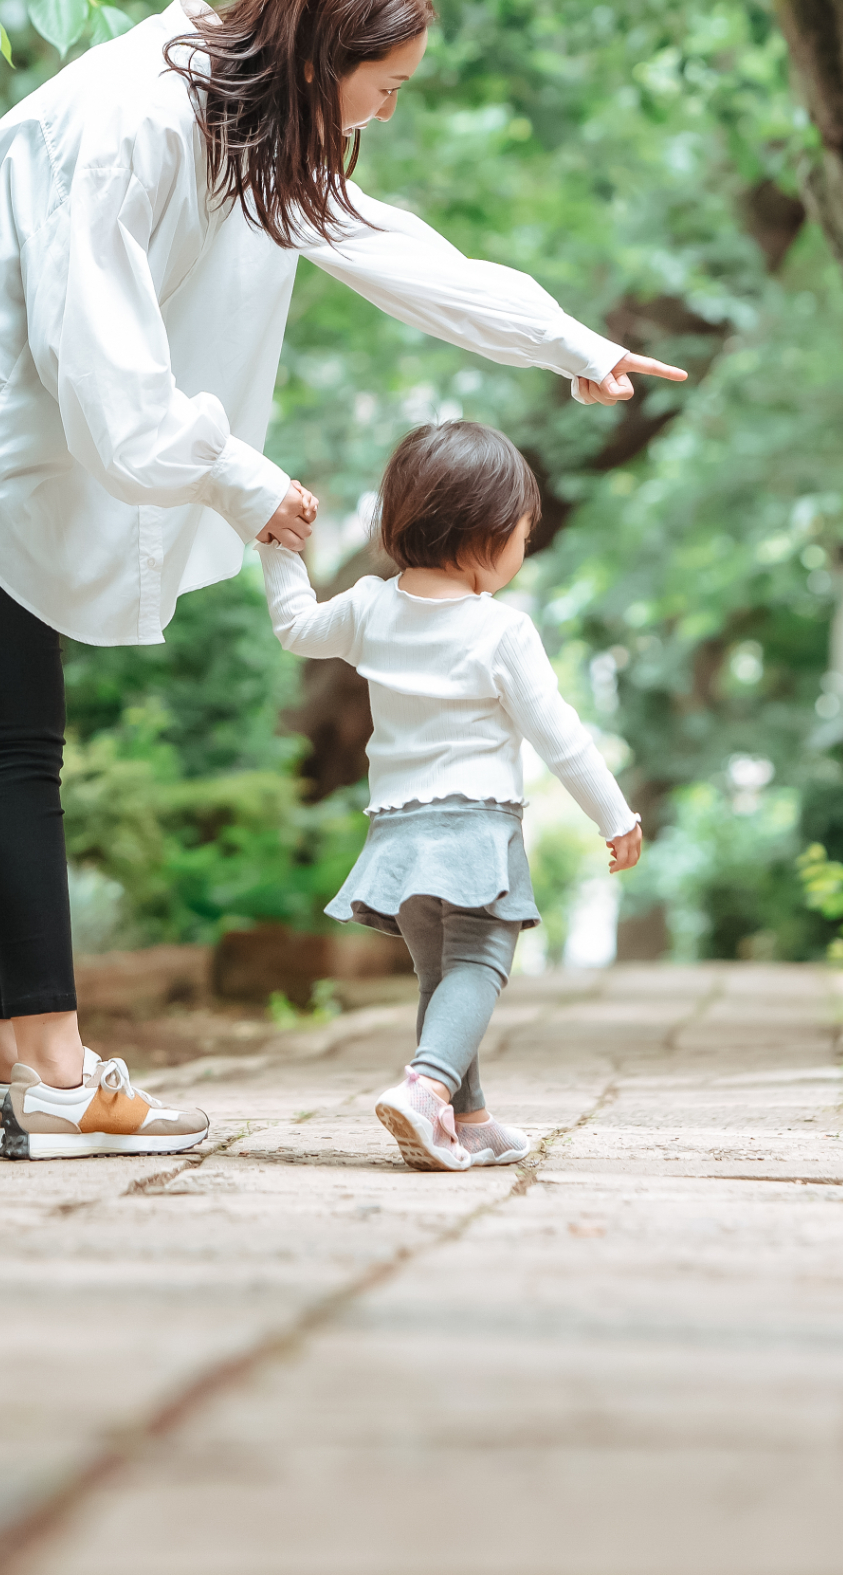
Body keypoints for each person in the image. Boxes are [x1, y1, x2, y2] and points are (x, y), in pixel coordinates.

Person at [0, 0, 683, 1159]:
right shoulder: (140, 119)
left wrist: (572, 344)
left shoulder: (241, 122)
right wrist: (239, 480)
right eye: (388, 83)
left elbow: (393, 247)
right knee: (11, 752)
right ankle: (52, 1071)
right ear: (327, 55)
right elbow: (100, 354)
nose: (387, 109)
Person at [264, 418, 642, 1172]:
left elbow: (294, 626)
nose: (522, 549)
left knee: (442, 976)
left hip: (396, 835)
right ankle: (427, 1086)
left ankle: (466, 1118)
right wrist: (616, 813)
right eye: (521, 535)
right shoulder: (500, 630)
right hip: (473, 828)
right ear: (485, 532)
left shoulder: (369, 605)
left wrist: (278, 549)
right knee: (482, 961)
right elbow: (559, 733)